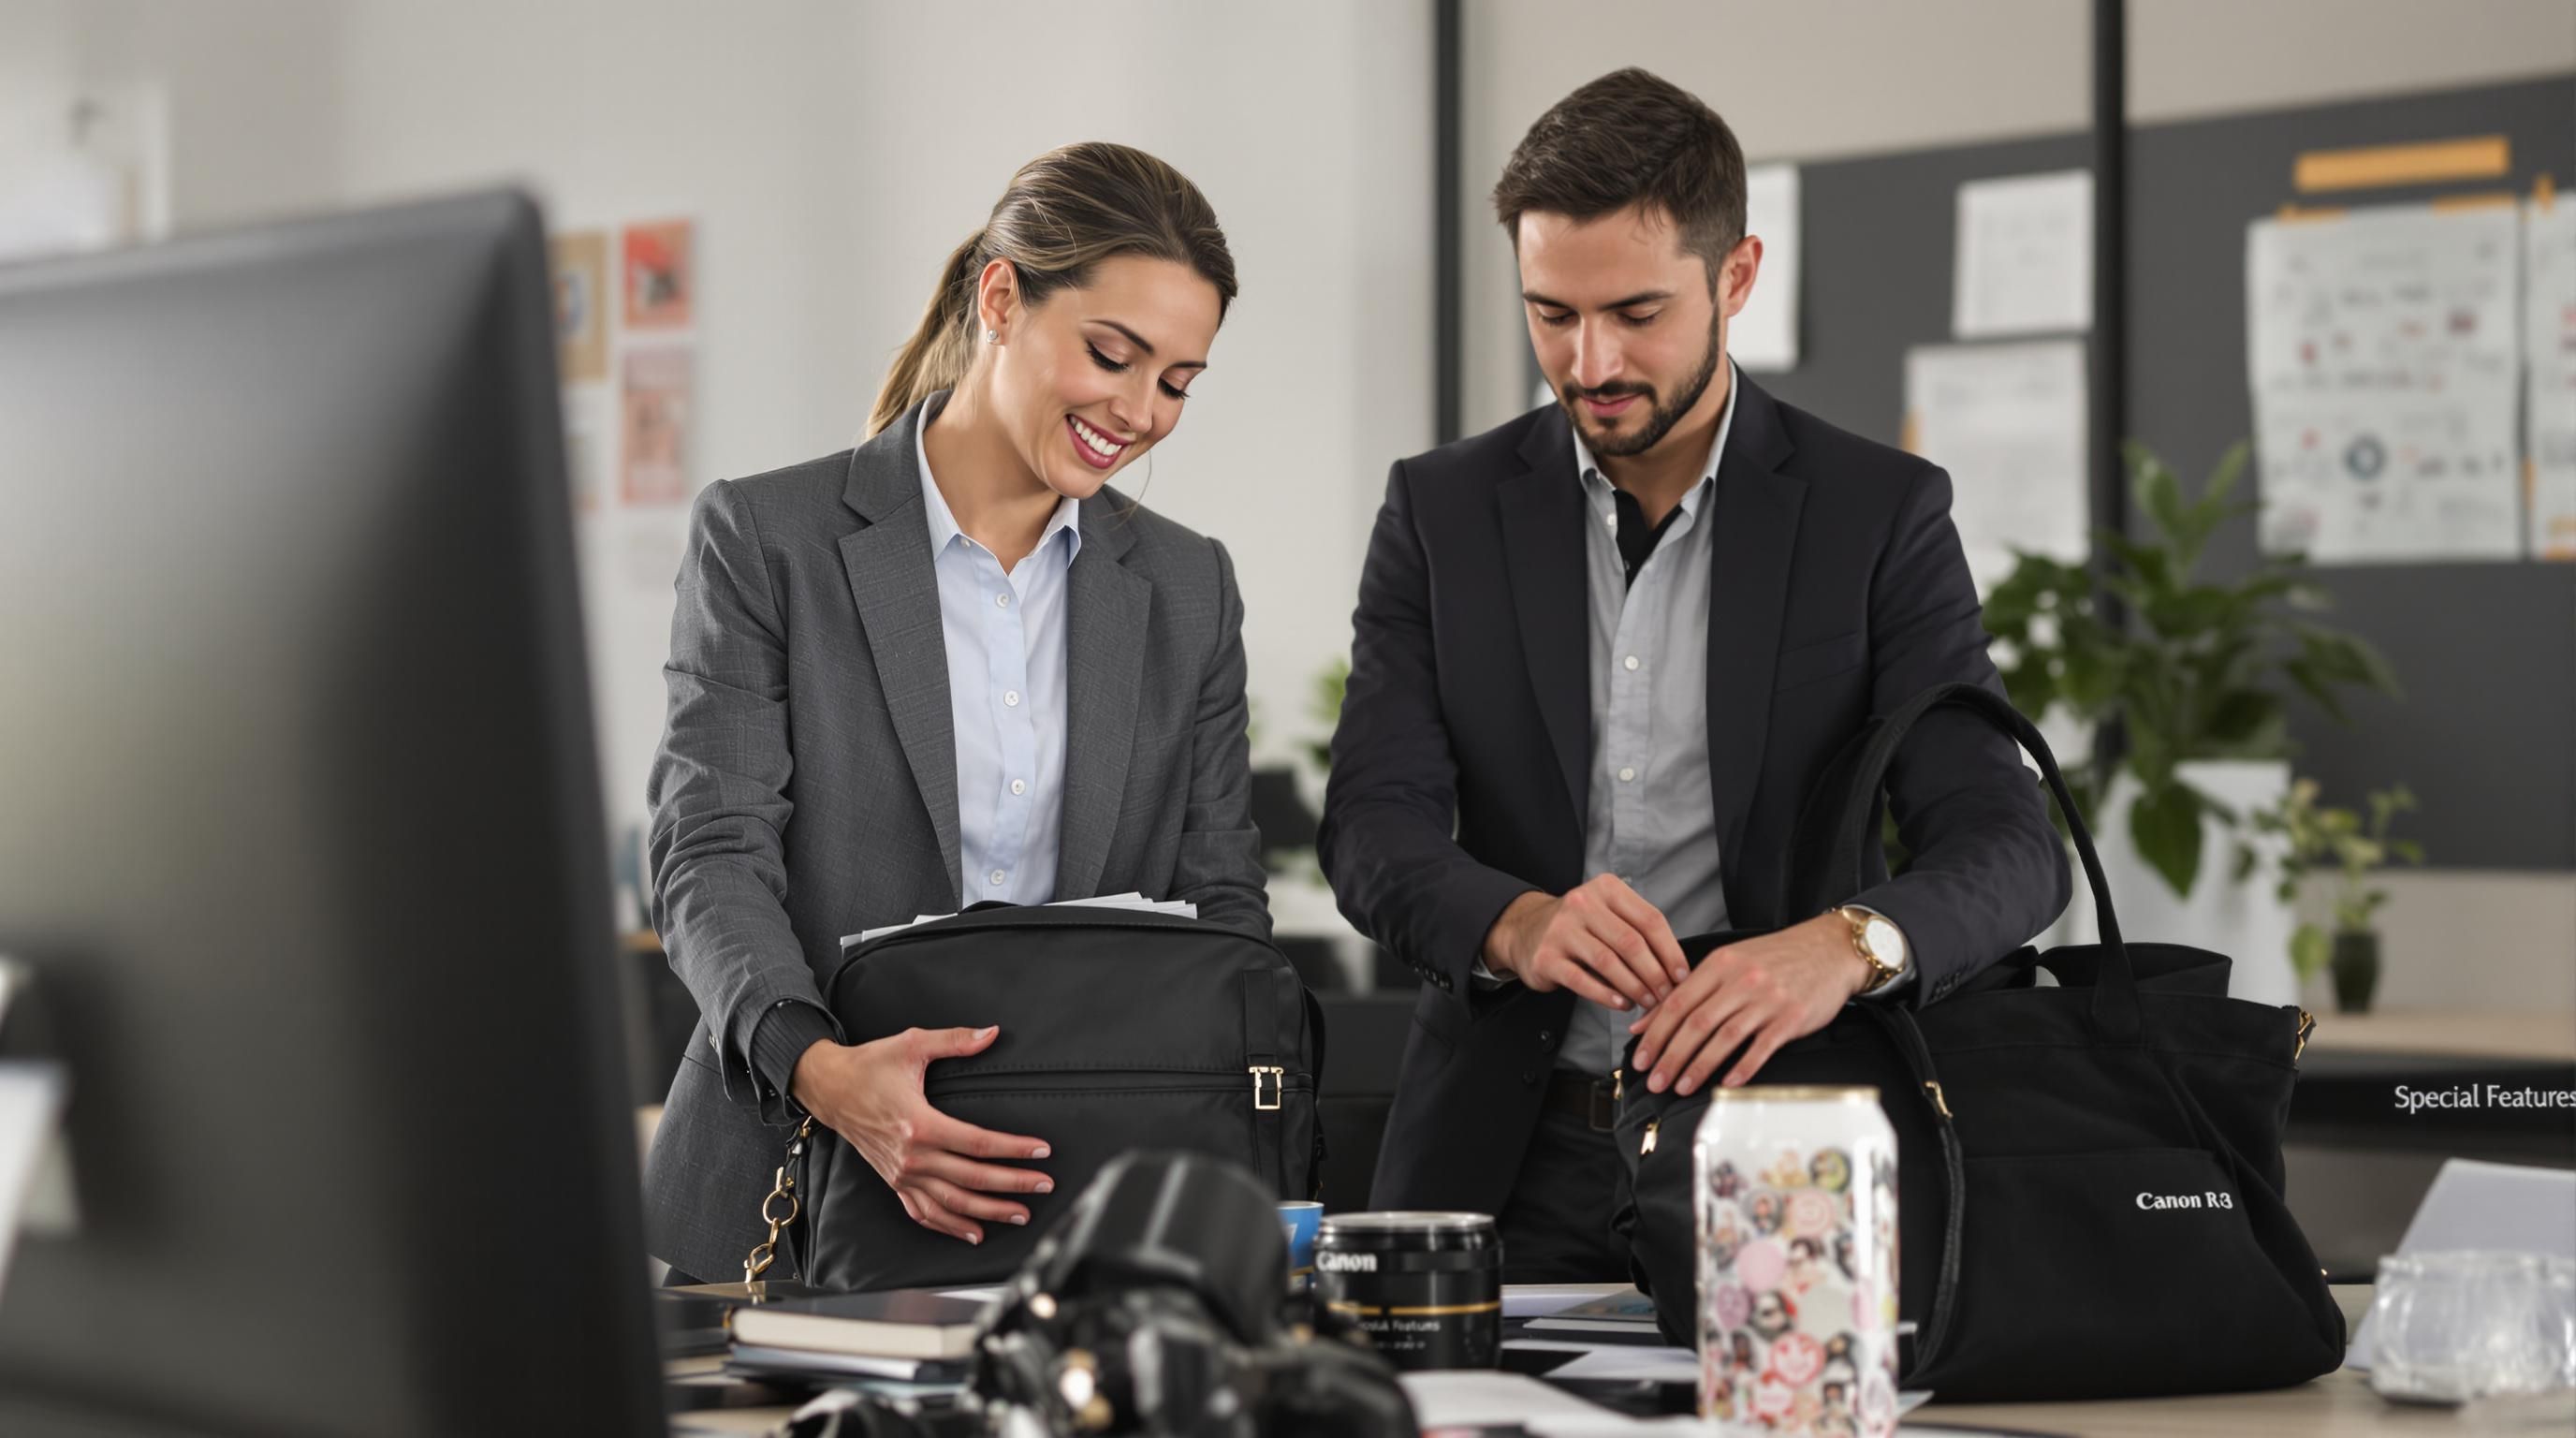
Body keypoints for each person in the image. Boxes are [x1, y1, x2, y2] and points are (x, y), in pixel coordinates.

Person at [1318, 68, 2067, 1282]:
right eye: (1550, 313)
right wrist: (1517, 924)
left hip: (1786, 1153)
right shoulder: (1440, 512)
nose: (1591, 360)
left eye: (1635, 312)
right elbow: (1369, 829)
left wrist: (1845, 943)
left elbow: (2009, 846)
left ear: (1737, 277)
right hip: (1503, 1161)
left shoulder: (1877, 514)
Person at [641, 141, 1266, 1286]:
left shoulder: (1188, 588)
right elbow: (707, 854)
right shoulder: (768, 541)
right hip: (785, 1191)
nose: (1137, 411)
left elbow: (1219, 902)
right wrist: (830, 1076)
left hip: (1083, 1209)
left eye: (1176, 382)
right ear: (1000, 299)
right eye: (1112, 355)